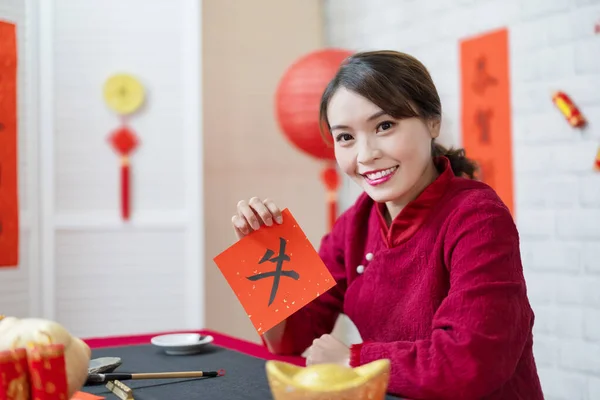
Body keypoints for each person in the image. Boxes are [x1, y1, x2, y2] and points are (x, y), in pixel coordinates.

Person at [230, 50, 544, 400]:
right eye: (345, 137)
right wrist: (265, 251)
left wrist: (352, 360)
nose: (365, 155)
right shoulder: (355, 223)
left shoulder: (478, 215)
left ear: (432, 122)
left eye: (384, 126)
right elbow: (291, 339)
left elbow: (470, 362)